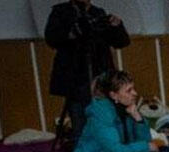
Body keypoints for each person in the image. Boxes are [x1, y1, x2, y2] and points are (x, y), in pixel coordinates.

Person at [45, 0, 130, 144]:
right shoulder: (61, 12)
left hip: (101, 74)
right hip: (76, 76)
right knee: (80, 120)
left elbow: (121, 42)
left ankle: (109, 150)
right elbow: (52, 39)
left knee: (106, 117)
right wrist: (74, 32)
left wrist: (117, 26)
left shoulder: (98, 13)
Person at [73, 69, 165, 152]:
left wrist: (138, 118)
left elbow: (146, 142)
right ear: (113, 95)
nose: (135, 93)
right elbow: (114, 151)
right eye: (129, 91)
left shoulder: (126, 109)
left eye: (133, 89)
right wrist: (145, 147)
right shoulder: (100, 113)